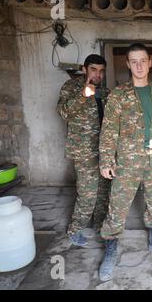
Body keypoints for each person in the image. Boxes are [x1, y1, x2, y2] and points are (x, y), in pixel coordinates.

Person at [98, 43, 152, 281]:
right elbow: (109, 130)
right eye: (134, 61)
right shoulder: (119, 95)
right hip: (127, 162)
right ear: (128, 64)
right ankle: (110, 250)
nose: (139, 65)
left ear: (149, 62)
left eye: (143, 60)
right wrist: (106, 161)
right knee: (118, 205)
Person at [56, 54, 111, 247]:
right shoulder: (71, 87)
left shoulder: (105, 91)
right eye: (94, 69)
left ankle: (98, 226)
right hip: (83, 152)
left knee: (104, 193)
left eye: (102, 70)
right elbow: (63, 112)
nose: (98, 74)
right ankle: (74, 230)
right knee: (87, 194)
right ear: (85, 69)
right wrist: (83, 95)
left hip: (104, 151)